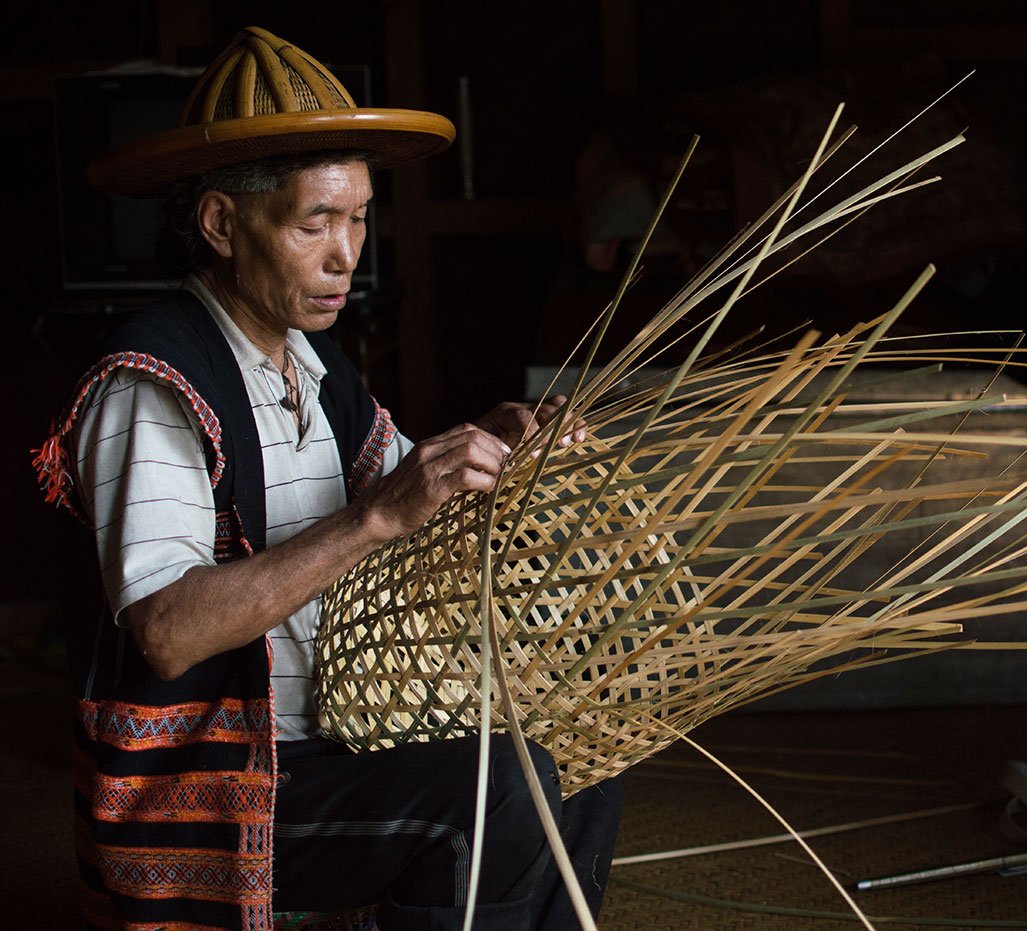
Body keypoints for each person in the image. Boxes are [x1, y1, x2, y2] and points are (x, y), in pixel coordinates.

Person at [34, 27, 619, 931]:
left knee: (573, 762)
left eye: (358, 218)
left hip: (331, 742)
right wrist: (374, 518)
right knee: (496, 789)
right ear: (224, 224)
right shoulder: (151, 380)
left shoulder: (312, 368)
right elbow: (166, 630)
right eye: (315, 223)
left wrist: (500, 449)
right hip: (213, 791)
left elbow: (418, 495)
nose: (347, 253)